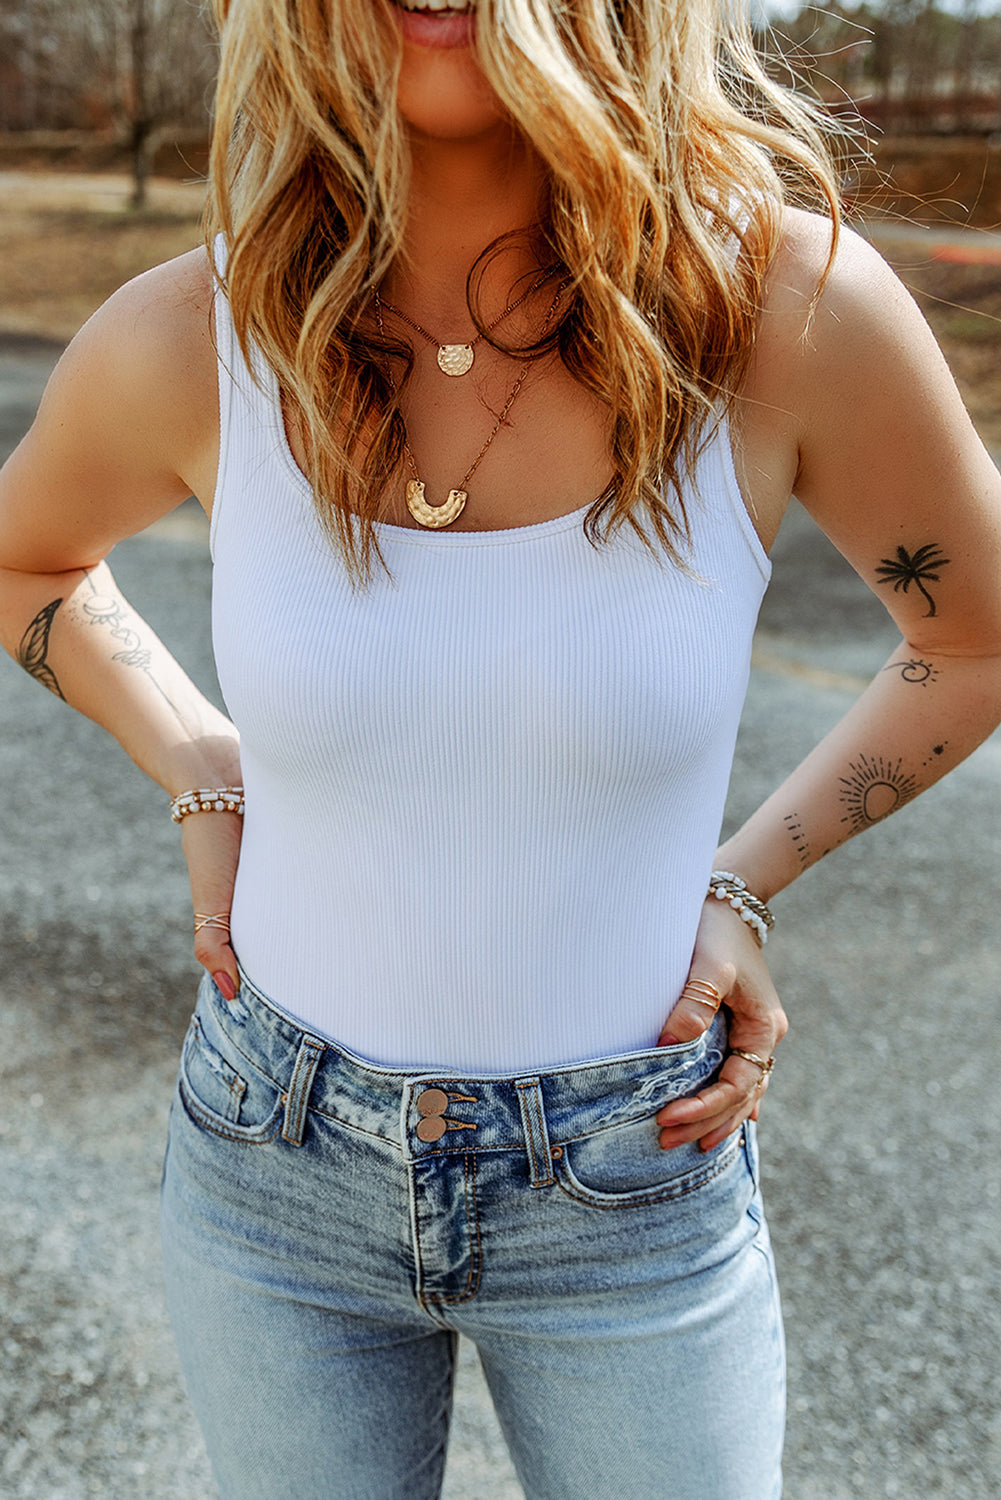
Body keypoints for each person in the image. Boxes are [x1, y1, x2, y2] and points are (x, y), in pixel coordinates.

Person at [1, 0, 1000, 1492]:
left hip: (634, 1177)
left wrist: (742, 878)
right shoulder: (199, 331)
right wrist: (198, 761)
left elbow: (974, 638)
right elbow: (28, 555)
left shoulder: (786, 314)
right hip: (274, 1164)